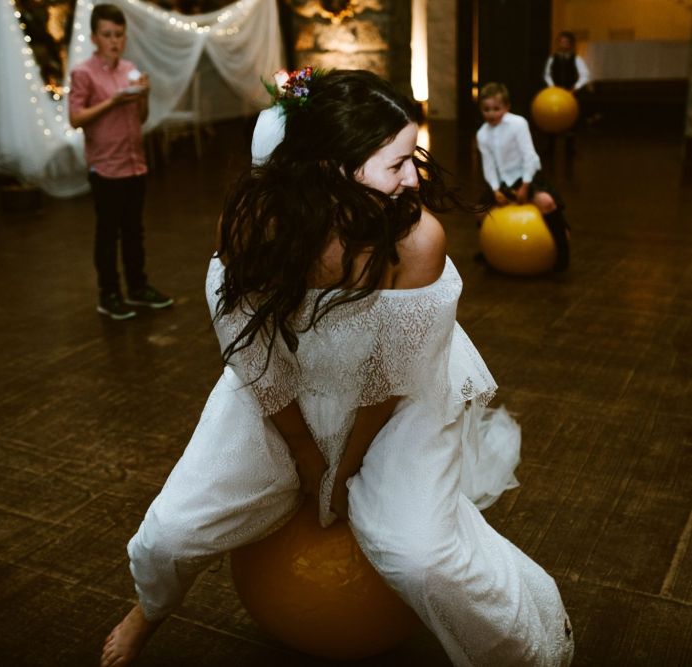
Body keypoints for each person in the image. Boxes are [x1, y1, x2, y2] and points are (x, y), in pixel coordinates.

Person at [101, 69, 574, 666]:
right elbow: (252, 354)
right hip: (277, 388)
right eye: (395, 163)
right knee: (170, 532)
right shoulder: (253, 226)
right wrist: (303, 453)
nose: (412, 179)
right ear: (330, 166)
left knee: (419, 558)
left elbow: (391, 377)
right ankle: (151, 608)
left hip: (399, 401)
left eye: (412, 156)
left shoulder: (417, 239)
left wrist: (341, 471)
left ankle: (528, 652)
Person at [69, 4, 172, 320]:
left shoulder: (129, 69)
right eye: (107, 35)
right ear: (95, 37)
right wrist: (112, 101)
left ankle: (138, 288)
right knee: (108, 232)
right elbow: (75, 118)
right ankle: (108, 294)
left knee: (134, 231)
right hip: (105, 167)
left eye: (119, 35)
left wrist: (142, 97)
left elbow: (140, 119)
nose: (114, 40)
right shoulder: (83, 73)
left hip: (134, 164)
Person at [476, 82, 570, 271]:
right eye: (486, 109)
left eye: (496, 108)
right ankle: (490, 251)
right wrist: (495, 190)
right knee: (479, 211)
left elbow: (529, 156)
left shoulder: (518, 124)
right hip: (502, 180)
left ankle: (562, 254)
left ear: (507, 107)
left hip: (526, 175)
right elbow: (488, 165)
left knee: (547, 202)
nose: (491, 114)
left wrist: (526, 185)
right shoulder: (482, 134)